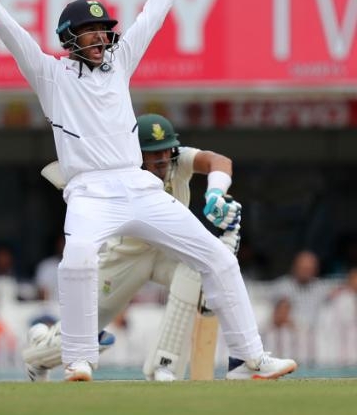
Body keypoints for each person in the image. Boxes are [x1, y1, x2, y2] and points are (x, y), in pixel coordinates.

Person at [0, 0, 296, 382]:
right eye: (89, 33)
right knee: (78, 257)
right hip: (89, 191)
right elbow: (10, 32)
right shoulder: (51, 77)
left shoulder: (120, 62)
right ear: (70, 39)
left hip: (139, 186)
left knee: (218, 257)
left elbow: (154, 14)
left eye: (103, 31)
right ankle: (79, 358)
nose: (100, 39)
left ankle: (253, 357)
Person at [26, 113, 249, 382]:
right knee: (85, 332)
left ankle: (164, 365)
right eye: (152, 154)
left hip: (169, 255)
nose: (161, 161)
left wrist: (216, 192)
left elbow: (219, 161)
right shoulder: (120, 169)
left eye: (164, 152)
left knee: (198, 270)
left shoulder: (179, 159)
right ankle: (38, 354)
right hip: (126, 258)